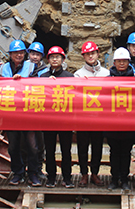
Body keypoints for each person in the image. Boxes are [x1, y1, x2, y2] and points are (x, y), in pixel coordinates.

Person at [0, 40, 40, 186]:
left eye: (21, 52)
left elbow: (37, 85)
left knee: (32, 146)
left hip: (27, 112)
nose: (19, 55)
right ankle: (18, 173)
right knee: (13, 146)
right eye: (15, 53)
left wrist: (21, 82)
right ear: (10, 54)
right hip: (10, 113)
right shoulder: (3, 68)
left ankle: (33, 173)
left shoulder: (31, 67)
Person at [36, 46, 75, 188]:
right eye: (52, 57)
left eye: (57, 57)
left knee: (66, 150)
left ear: (63, 59)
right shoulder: (43, 77)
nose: (55, 59)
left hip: (65, 120)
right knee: (50, 150)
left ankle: (67, 177)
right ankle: (51, 177)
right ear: (48, 60)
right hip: (49, 120)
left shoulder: (70, 77)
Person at [74, 41, 110, 186]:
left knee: (97, 146)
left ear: (98, 54)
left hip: (99, 118)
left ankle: (95, 173)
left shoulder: (106, 74)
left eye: (93, 53)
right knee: (82, 147)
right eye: (87, 54)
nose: (90, 56)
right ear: (83, 56)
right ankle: (84, 174)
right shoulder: (78, 74)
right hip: (83, 118)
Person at [105, 47, 135, 191]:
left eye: (124, 61)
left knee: (126, 153)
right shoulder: (107, 81)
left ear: (129, 62)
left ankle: (124, 179)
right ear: (114, 63)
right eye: (119, 61)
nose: (122, 63)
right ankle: (114, 179)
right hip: (112, 123)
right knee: (114, 152)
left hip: (129, 123)